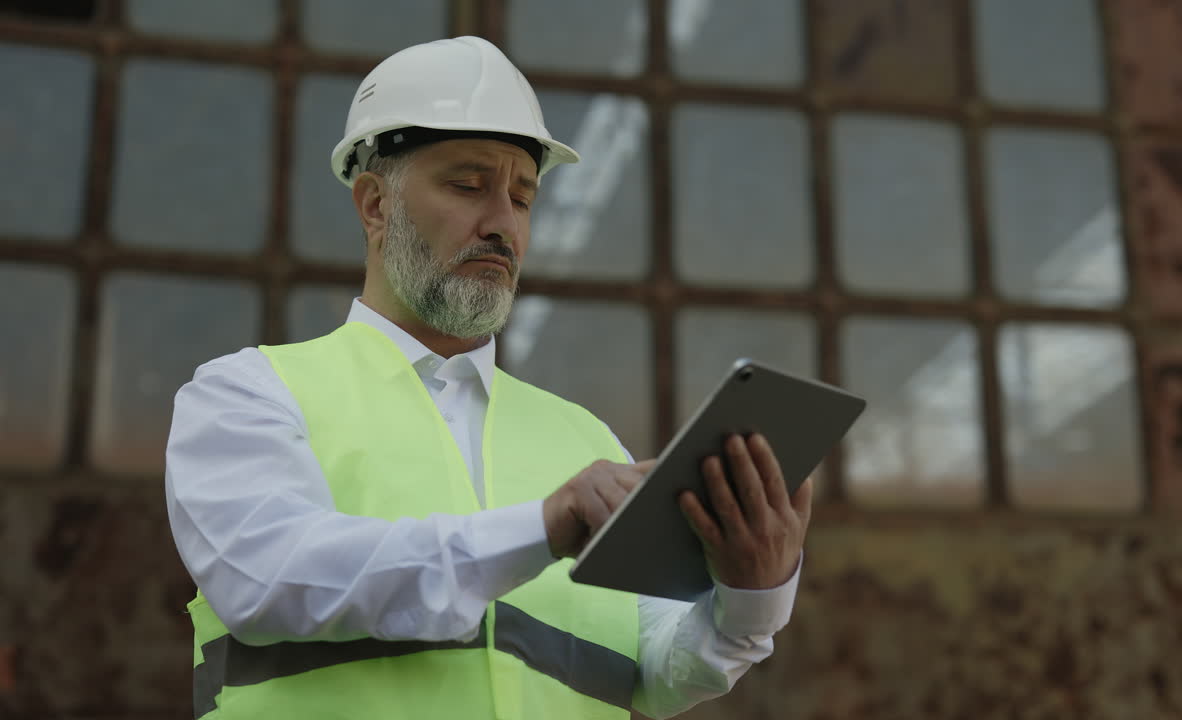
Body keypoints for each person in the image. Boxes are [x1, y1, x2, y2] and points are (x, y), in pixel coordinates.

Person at [165, 36, 812, 720]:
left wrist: (752, 595)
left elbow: (658, 670)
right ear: (375, 206)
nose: (503, 223)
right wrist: (542, 528)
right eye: (469, 185)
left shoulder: (584, 439)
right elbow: (271, 580)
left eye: (524, 197)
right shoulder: (248, 395)